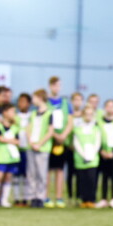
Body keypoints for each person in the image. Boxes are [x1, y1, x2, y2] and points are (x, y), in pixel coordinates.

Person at [46, 76, 73, 208]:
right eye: (55, 85)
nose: (57, 88)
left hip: (62, 141)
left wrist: (63, 135)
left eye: (59, 85)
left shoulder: (65, 103)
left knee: (60, 170)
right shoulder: (46, 103)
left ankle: (59, 197)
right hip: (49, 141)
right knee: (48, 170)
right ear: (50, 86)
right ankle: (46, 197)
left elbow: (70, 121)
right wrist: (54, 134)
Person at [0, 103, 20, 208]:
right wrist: (10, 140)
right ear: (4, 113)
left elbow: (17, 141)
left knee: (8, 177)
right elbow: (0, 138)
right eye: (12, 111)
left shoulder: (14, 127)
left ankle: (4, 200)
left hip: (12, 156)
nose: (14, 114)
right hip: (1, 156)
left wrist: (8, 140)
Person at [27, 89, 55, 208]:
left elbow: (50, 131)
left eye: (34, 97)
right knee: (31, 173)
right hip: (31, 147)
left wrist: (40, 143)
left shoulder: (50, 113)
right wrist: (31, 142)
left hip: (43, 148)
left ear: (40, 97)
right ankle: (32, 197)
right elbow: (28, 129)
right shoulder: (33, 113)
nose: (32, 100)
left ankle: (41, 197)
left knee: (41, 174)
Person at [73, 104, 101, 208]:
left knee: (92, 180)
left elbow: (97, 142)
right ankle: (83, 200)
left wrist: (92, 154)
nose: (88, 116)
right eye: (86, 114)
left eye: (90, 114)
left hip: (93, 158)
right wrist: (83, 154)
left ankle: (91, 199)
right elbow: (76, 142)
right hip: (80, 158)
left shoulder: (96, 128)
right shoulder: (78, 128)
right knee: (82, 180)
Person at [96, 99, 113, 209]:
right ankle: (103, 198)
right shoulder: (99, 121)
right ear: (104, 108)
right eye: (108, 106)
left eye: (112, 106)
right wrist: (101, 150)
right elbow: (96, 136)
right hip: (103, 153)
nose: (110, 108)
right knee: (104, 177)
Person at [14, 93, 32, 207]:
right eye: (20, 101)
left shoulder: (32, 116)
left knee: (26, 175)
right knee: (16, 175)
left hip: (28, 149)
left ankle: (25, 198)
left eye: (24, 101)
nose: (21, 104)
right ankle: (16, 199)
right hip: (16, 149)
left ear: (29, 104)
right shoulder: (15, 117)